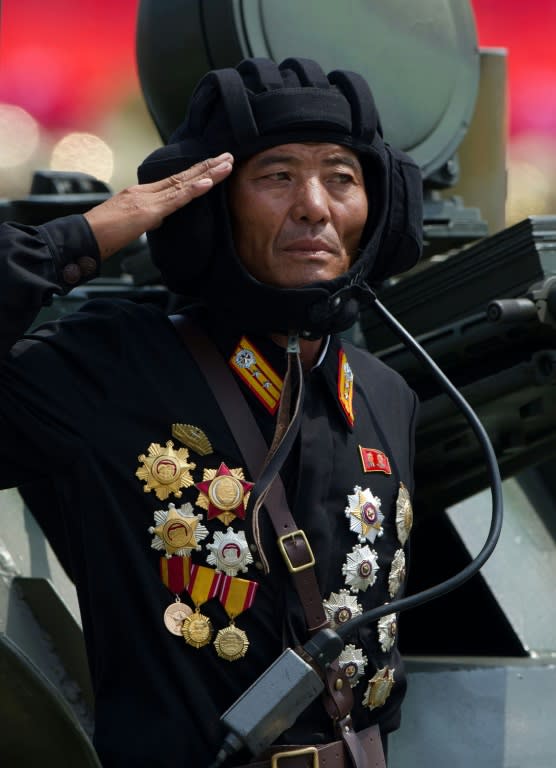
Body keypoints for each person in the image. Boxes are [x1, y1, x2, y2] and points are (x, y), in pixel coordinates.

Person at [0, 57, 422, 767]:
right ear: (213, 205)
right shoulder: (112, 368)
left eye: (341, 177)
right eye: (278, 176)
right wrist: (87, 235)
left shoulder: (385, 393)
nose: (315, 206)